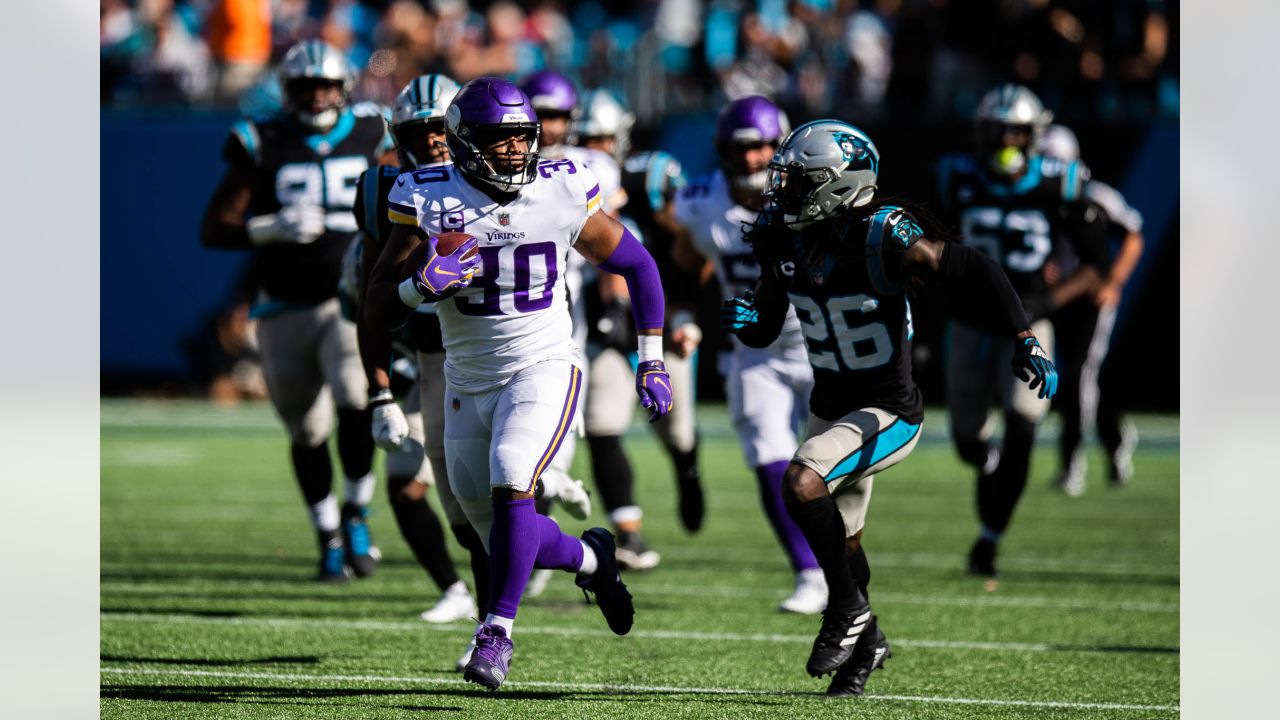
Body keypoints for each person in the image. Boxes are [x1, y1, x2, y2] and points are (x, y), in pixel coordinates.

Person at [722, 119, 1057, 697]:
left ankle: (847, 611)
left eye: (799, 180)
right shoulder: (788, 235)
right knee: (844, 542)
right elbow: (770, 321)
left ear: (838, 184)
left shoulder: (882, 233)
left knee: (802, 481)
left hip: (888, 411)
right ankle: (868, 639)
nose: (781, 191)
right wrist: (750, 325)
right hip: (831, 407)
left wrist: (1025, 337)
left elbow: (979, 268)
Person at [364, 78, 671, 691]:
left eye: (520, 138)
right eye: (497, 139)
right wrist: (417, 288)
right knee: (499, 528)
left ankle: (496, 631)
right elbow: (374, 307)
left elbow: (637, 264)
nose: (512, 151)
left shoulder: (561, 187)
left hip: (546, 362)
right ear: (461, 143)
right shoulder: (424, 195)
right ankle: (593, 559)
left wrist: (651, 357)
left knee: (513, 473)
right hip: (465, 378)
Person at [200, 40, 391, 582]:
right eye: (306, 87)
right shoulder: (262, 139)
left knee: (358, 400)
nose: (316, 96)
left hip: (348, 300)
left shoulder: (372, 131)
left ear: (344, 87)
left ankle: (356, 510)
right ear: (288, 91)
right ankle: (327, 530)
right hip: (283, 304)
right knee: (306, 431)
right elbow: (213, 227)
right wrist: (269, 227)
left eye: (325, 85)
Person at [934, 85, 1109, 581]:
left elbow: (1098, 263)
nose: (1007, 139)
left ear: (1035, 136)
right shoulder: (956, 178)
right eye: (998, 130)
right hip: (970, 322)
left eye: (1017, 131)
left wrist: (1046, 302)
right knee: (968, 441)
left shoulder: (1062, 183)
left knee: (1025, 424)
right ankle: (986, 463)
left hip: (1030, 327)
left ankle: (990, 539)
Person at [672, 96, 826, 615]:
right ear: (723, 152)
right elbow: (685, 263)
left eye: (764, 146)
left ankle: (842, 563)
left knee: (832, 467)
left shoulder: (815, 193)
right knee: (768, 460)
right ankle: (809, 573)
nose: (756, 157)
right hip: (755, 352)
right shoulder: (702, 203)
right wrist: (683, 318)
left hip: (820, 342)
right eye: (745, 148)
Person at [519, 71, 667, 569]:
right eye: (541, 113)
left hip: (569, 311)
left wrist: (617, 311)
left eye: (557, 115)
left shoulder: (588, 166)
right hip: (518, 309)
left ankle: (552, 546)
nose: (548, 125)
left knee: (559, 442)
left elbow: (613, 246)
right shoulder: (494, 164)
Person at [1037, 125, 1145, 496]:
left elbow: (1133, 233)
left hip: (1090, 298)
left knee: (1081, 375)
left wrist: (1113, 280)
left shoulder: (1095, 196)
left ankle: (1073, 464)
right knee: (1080, 377)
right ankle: (1115, 438)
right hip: (1059, 297)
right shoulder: (1033, 199)